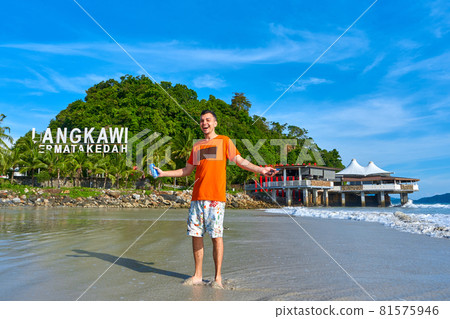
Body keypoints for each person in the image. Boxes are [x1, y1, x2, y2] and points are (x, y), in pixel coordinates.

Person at [155, 109, 277, 289]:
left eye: (208, 120)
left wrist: (260, 170)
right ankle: (198, 275)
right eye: (202, 120)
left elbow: (239, 160)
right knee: (196, 235)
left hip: (215, 198)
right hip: (197, 197)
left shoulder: (224, 141)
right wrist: (163, 173)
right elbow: (186, 170)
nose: (204, 123)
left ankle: (217, 278)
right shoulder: (197, 146)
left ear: (215, 123)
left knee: (216, 236)